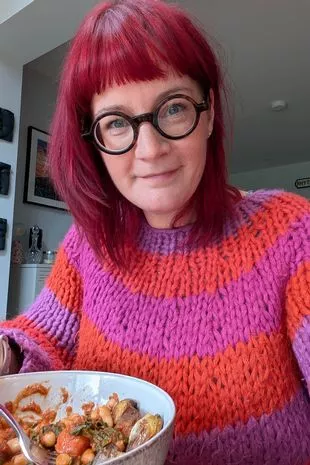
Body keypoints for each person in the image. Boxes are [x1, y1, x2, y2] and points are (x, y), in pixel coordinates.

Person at [1, 0, 310, 463]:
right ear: (95, 140)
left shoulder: (290, 233)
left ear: (207, 115)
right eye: (118, 122)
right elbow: (37, 343)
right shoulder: (90, 245)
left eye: (173, 109)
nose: (149, 149)